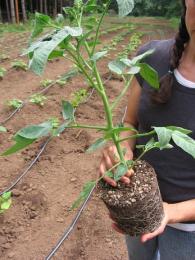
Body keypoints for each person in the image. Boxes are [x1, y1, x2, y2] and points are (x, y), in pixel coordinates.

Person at [99, 1, 195, 259]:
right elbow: (130, 124)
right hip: (136, 208)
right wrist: (121, 150)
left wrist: (170, 213)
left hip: (189, 232)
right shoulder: (152, 57)